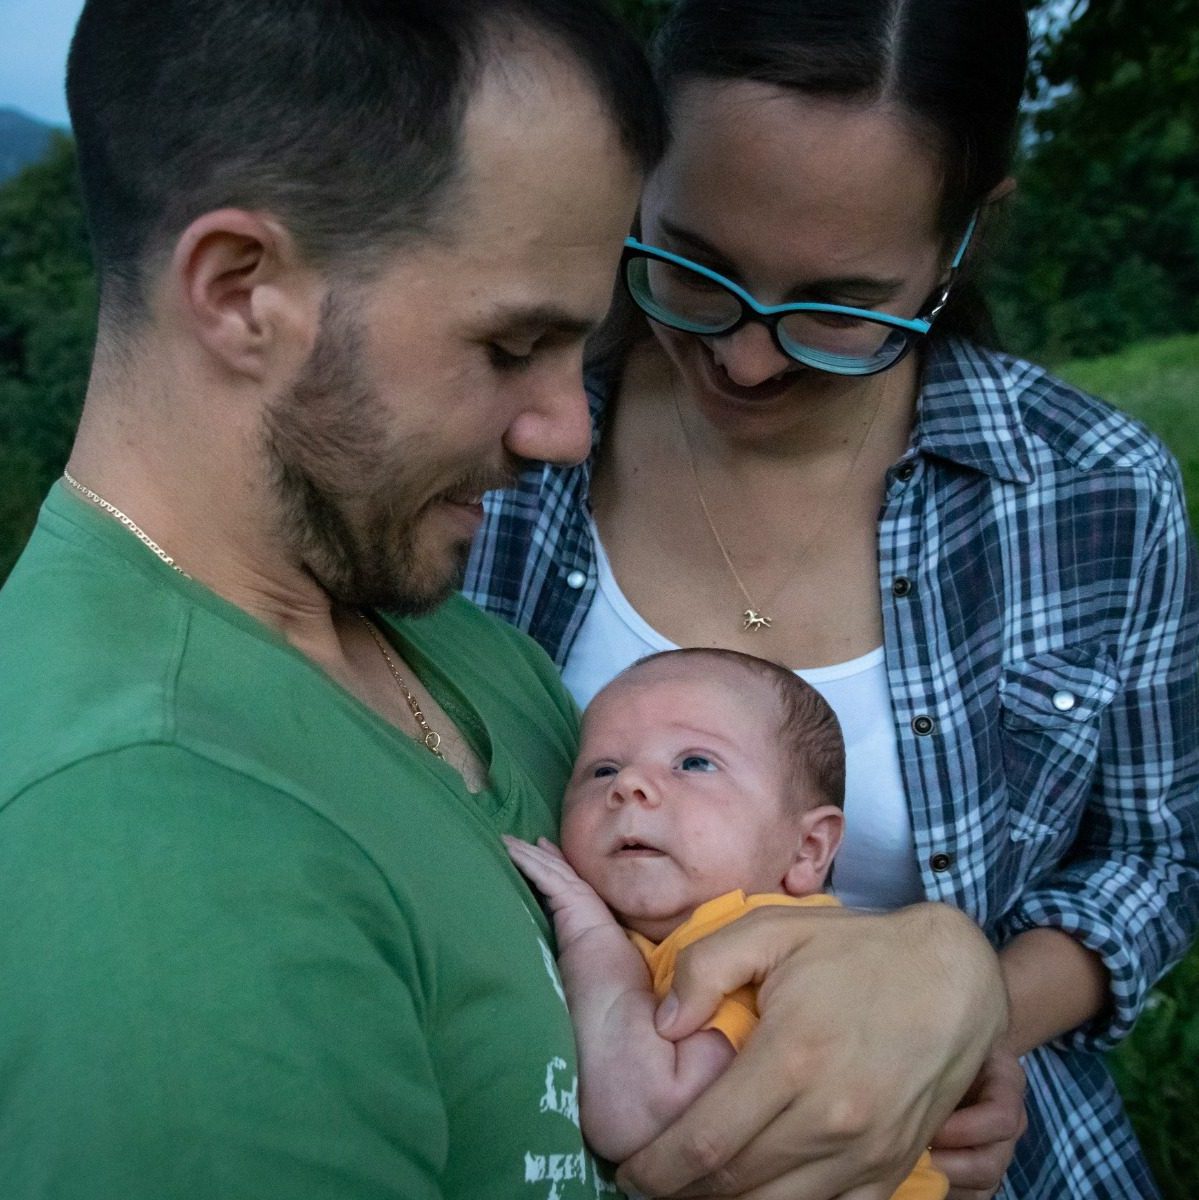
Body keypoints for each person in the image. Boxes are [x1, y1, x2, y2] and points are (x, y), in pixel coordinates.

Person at [0, 1, 1008, 1198]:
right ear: (239, 291)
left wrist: (934, 974)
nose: (568, 429)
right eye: (511, 346)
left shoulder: (460, 650)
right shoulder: (146, 841)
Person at [464, 0, 1199, 1196]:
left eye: (838, 307)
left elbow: (1155, 859)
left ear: (962, 237)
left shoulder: (1090, 493)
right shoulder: (494, 444)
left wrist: (967, 1011)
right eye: (693, 267)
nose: (745, 358)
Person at [506, 647, 948, 1200]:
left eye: (694, 763)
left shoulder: (760, 945)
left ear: (808, 849)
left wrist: (593, 940)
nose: (629, 784)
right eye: (603, 770)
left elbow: (645, 1112)